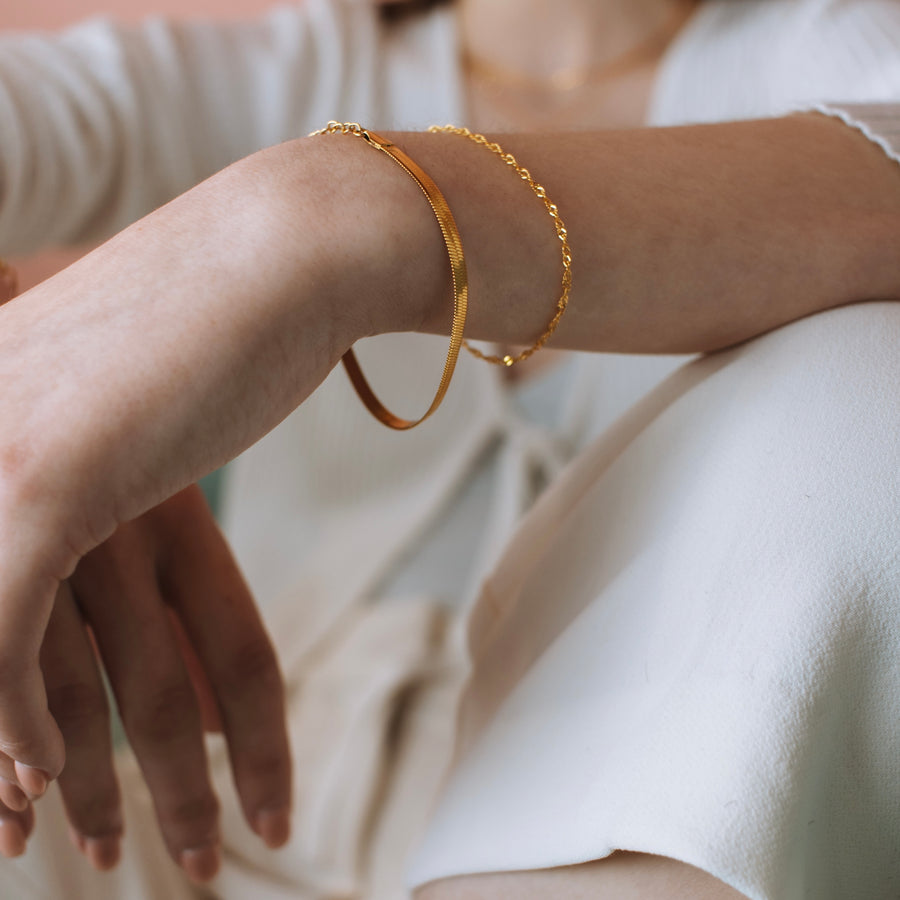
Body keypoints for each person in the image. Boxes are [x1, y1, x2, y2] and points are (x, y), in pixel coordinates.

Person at [0, 0, 899, 897]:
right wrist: (37, 407)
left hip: (625, 856)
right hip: (213, 853)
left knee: (866, 379)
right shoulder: (287, 74)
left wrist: (329, 217)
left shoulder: (844, 58)